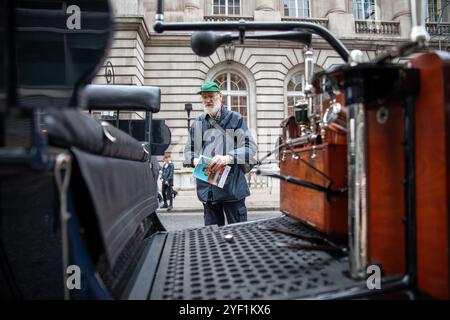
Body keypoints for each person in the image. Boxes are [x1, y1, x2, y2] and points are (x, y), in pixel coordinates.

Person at [184, 81, 257, 226]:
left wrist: (227, 158)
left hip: (232, 190)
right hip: (208, 191)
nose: (208, 100)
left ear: (220, 96)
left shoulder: (235, 119)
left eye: (211, 96)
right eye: (204, 97)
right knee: (212, 240)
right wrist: (194, 160)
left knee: (239, 236)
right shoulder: (197, 123)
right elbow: (188, 151)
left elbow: (250, 148)